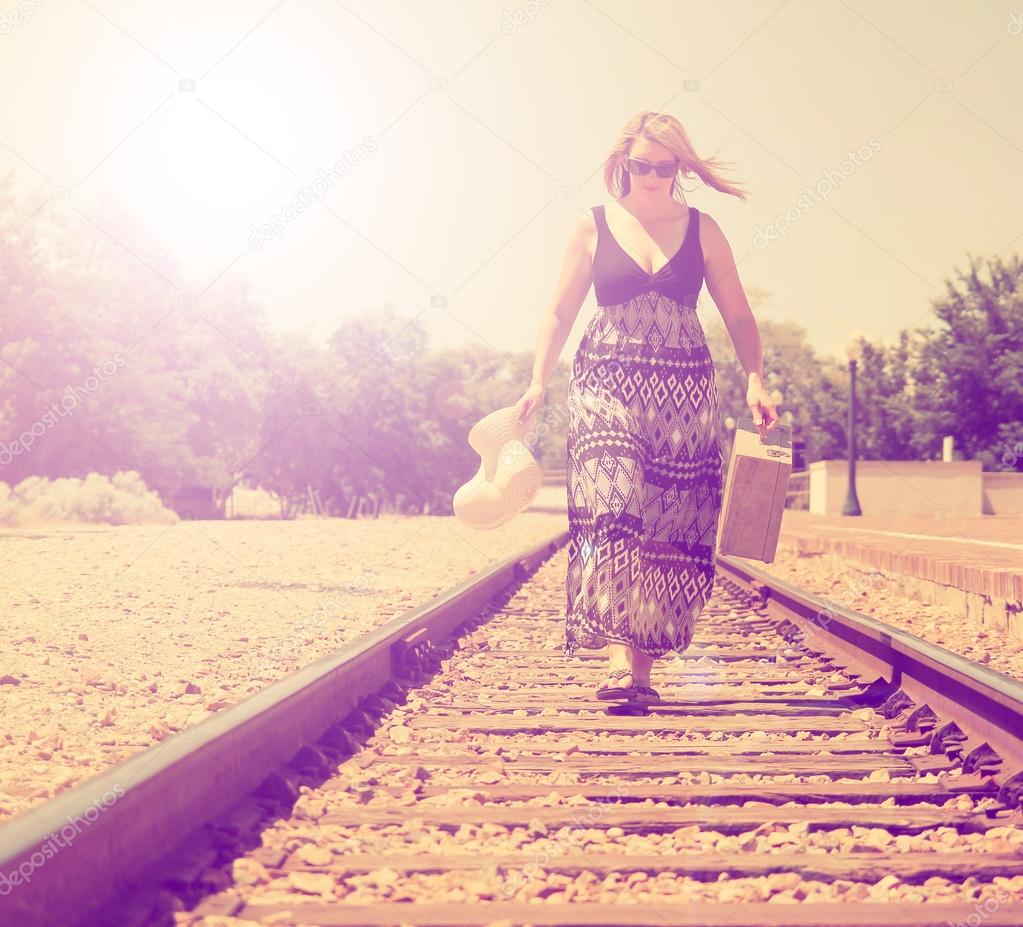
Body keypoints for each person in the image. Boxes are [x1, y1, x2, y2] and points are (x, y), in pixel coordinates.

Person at [514, 111, 778, 703]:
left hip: (684, 392)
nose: (654, 177)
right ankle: (614, 659)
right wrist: (537, 380)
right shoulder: (592, 225)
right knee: (613, 510)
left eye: (666, 167)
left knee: (668, 527)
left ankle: (641, 671)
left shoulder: (704, 229)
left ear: (679, 168)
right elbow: (558, 312)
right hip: (605, 381)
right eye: (643, 166)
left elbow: (737, 312)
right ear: (622, 165)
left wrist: (757, 379)